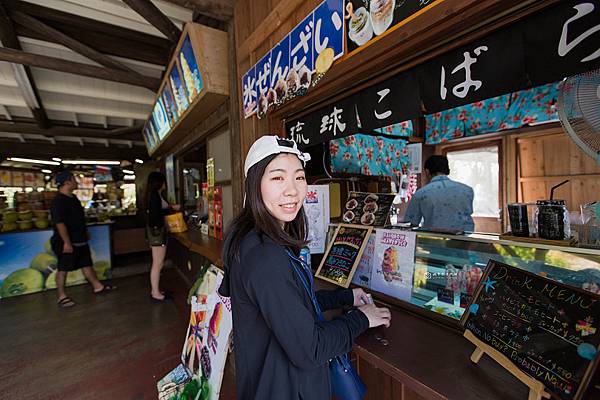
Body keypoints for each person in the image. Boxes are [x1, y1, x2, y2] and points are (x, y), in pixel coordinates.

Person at [219, 135, 391, 400]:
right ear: (254, 184)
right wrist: (362, 318)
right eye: (277, 178)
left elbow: (293, 302)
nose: (292, 190)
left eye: (299, 177)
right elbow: (310, 348)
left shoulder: (257, 238)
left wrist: (346, 297)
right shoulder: (265, 257)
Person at [50, 171, 115, 308]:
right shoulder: (58, 202)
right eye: (74, 179)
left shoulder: (73, 198)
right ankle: (61, 296)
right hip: (66, 242)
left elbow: (79, 218)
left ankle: (98, 286)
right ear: (67, 182)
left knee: (86, 264)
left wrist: (84, 232)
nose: (76, 182)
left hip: (80, 240)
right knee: (63, 269)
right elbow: (59, 223)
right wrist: (67, 242)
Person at [404, 155, 475, 232]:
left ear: (427, 171)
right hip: (465, 239)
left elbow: (412, 223)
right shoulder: (467, 190)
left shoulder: (421, 193)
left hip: (434, 239)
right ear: (448, 170)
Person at [146, 171, 179, 302]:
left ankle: (156, 290)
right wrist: (171, 209)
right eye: (163, 181)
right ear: (159, 183)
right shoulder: (154, 196)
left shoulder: (154, 195)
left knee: (157, 263)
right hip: (157, 234)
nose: (165, 184)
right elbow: (156, 215)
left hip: (155, 234)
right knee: (158, 263)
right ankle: (155, 293)